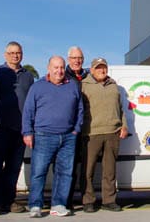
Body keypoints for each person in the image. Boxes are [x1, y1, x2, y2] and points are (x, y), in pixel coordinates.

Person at [22, 55, 83, 218]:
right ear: (49, 68)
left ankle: (58, 204)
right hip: (43, 136)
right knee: (38, 172)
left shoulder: (72, 85)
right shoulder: (38, 87)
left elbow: (80, 109)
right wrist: (27, 132)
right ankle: (35, 205)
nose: (59, 71)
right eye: (56, 67)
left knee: (64, 173)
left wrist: (76, 129)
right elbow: (28, 111)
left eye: (62, 67)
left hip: (68, 137)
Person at [0, 41, 34, 215]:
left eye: (18, 52)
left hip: (20, 129)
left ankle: (9, 201)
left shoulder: (28, 76)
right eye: (12, 53)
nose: (15, 55)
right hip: (0, 128)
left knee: (13, 168)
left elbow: (31, 102)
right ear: (5, 55)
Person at [80, 57, 128, 213]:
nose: (102, 70)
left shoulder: (113, 85)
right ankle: (88, 201)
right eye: (98, 67)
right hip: (91, 133)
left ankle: (109, 200)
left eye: (104, 67)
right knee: (88, 170)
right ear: (92, 70)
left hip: (112, 133)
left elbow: (120, 108)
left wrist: (124, 125)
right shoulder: (84, 85)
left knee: (110, 170)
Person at [64, 46, 88, 210]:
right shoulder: (62, 76)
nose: (77, 61)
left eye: (79, 58)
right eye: (74, 58)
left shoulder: (88, 77)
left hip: (85, 129)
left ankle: (83, 199)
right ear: (68, 59)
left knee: (83, 166)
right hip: (68, 129)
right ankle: (65, 200)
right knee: (67, 166)